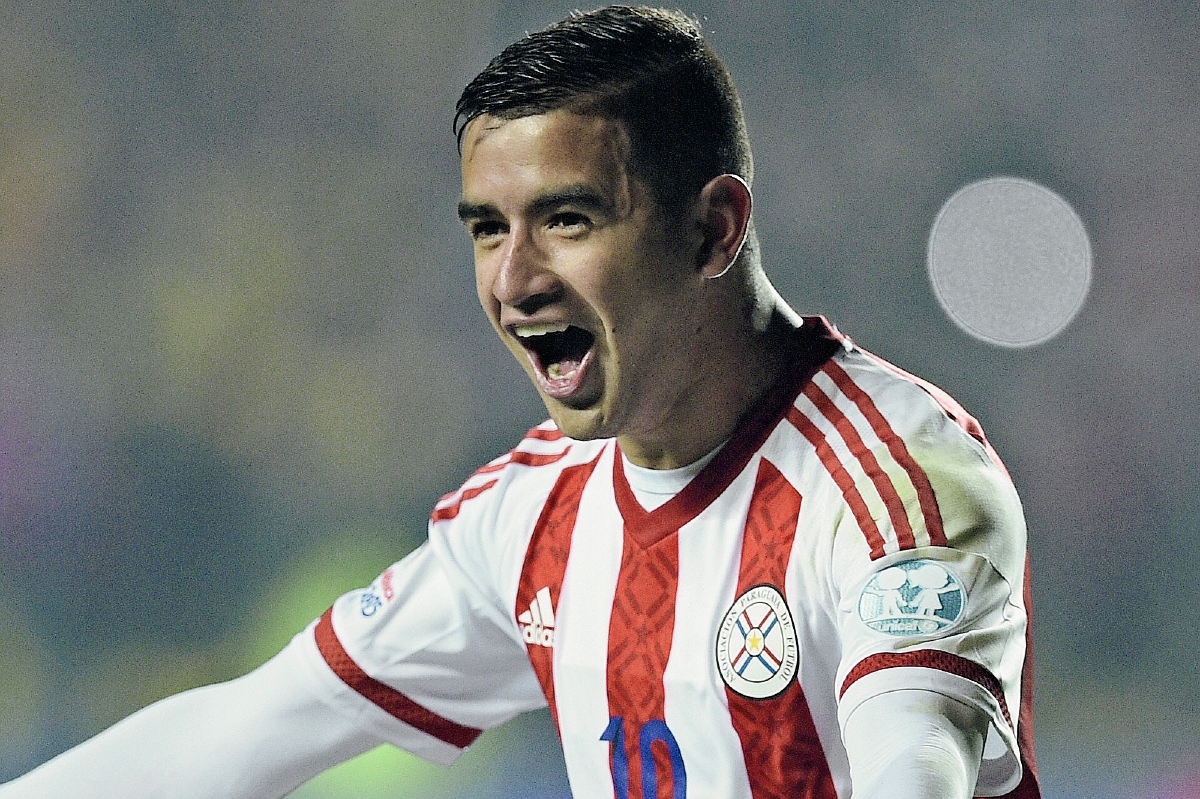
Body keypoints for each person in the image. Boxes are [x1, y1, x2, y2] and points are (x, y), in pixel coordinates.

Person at [1, 6, 1040, 798]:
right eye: (487, 230)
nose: (515, 280)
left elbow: (915, 766)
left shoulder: (897, 488)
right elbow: (244, 732)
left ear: (716, 230)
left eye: (569, 219)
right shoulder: (534, 515)